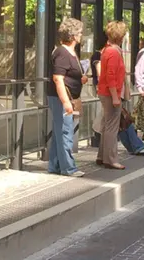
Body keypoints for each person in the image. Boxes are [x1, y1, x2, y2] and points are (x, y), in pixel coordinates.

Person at [91, 35, 144, 156]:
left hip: (111, 93)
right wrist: (115, 95)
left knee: (120, 121)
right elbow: (105, 75)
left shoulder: (106, 53)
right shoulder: (104, 54)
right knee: (119, 121)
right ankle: (131, 148)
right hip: (110, 93)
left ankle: (132, 147)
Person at [47, 17, 87, 177]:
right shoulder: (62, 52)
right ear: (73, 35)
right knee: (65, 132)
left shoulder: (69, 52)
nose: (81, 35)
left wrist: (80, 79)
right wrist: (66, 102)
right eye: (80, 32)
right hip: (61, 98)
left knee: (59, 133)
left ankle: (55, 165)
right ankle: (68, 168)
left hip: (65, 97)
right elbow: (58, 79)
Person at [97, 21, 130, 170]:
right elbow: (111, 76)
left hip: (106, 93)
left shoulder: (107, 50)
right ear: (120, 36)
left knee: (106, 125)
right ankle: (111, 159)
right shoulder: (113, 52)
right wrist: (116, 97)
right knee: (112, 127)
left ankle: (102, 156)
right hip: (111, 94)